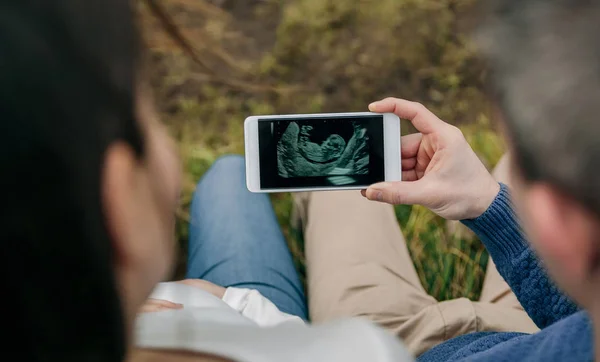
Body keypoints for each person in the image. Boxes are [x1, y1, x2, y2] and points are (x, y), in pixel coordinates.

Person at [1, 1, 414, 361]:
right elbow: (296, 339)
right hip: (244, 315)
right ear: (120, 209)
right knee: (227, 173)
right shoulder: (363, 351)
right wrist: (218, 297)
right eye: (153, 113)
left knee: (234, 169)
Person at [296, 1, 598, 361]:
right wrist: (487, 203)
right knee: (523, 162)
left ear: (556, 222)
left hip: (388, 348)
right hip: (534, 322)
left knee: (329, 186)